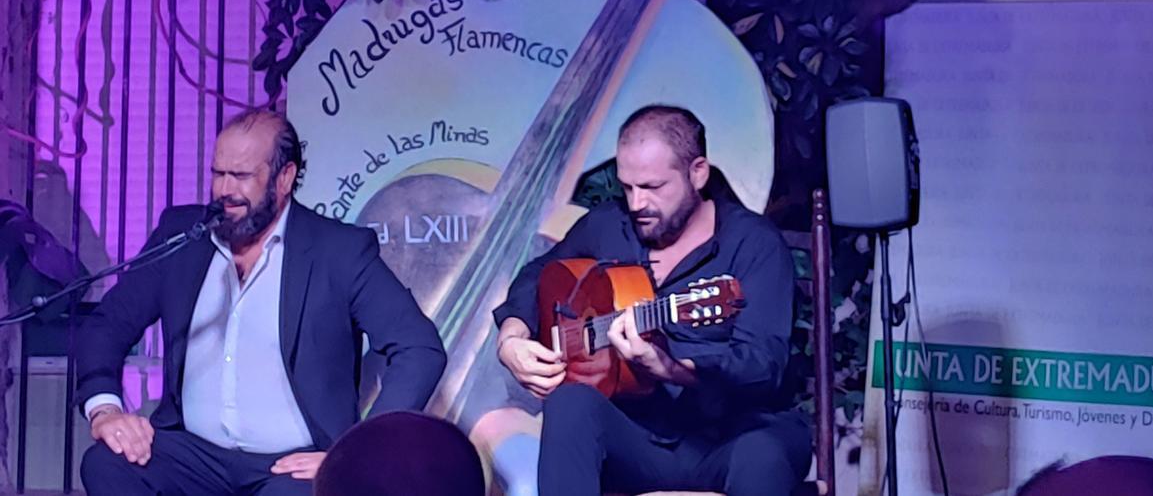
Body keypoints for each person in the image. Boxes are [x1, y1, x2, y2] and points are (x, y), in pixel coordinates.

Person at [77, 109, 446, 496]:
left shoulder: (338, 251)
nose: (224, 190)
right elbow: (108, 324)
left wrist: (357, 455)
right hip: (192, 454)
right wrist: (106, 410)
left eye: (241, 176)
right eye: (218, 174)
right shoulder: (182, 237)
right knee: (107, 464)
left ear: (284, 178)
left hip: (292, 465)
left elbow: (419, 348)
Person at [493, 105, 812, 496]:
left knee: (764, 454)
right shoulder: (608, 226)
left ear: (697, 173)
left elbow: (762, 365)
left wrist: (672, 369)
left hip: (730, 437)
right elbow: (539, 274)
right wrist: (511, 337)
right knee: (569, 404)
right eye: (628, 187)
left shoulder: (753, 244)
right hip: (639, 440)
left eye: (653, 187)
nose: (636, 203)